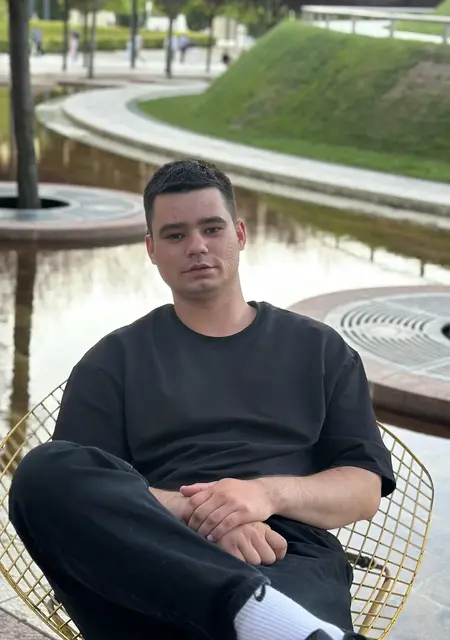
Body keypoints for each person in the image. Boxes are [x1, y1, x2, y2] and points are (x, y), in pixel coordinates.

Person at [9, 159, 396, 640]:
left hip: (282, 554)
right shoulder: (112, 361)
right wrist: (205, 516)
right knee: (42, 471)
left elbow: (363, 490)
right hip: (157, 559)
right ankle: (249, 611)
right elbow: (82, 495)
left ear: (239, 234)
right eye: (175, 235)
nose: (197, 246)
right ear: (151, 249)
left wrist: (263, 495)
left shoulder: (318, 350)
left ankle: (262, 614)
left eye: (212, 229)